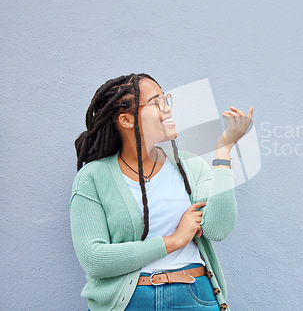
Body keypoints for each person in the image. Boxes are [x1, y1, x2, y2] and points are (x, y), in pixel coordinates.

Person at [70, 73, 253, 311]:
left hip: (194, 296)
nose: (167, 109)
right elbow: (94, 259)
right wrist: (174, 240)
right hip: (129, 301)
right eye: (157, 102)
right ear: (126, 120)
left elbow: (218, 229)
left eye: (166, 99)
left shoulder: (191, 167)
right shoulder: (93, 177)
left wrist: (224, 152)